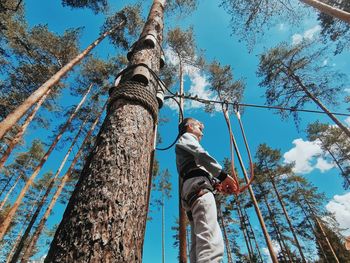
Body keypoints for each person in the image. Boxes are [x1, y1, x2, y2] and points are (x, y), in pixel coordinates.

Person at [175, 117, 237, 263]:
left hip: (193, 190)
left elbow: (196, 165)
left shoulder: (185, 147)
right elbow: (201, 155)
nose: (202, 129)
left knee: (199, 241)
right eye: (199, 126)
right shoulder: (187, 137)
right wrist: (223, 176)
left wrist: (215, 184)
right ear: (189, 126)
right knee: (210, 240)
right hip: (198, 187)